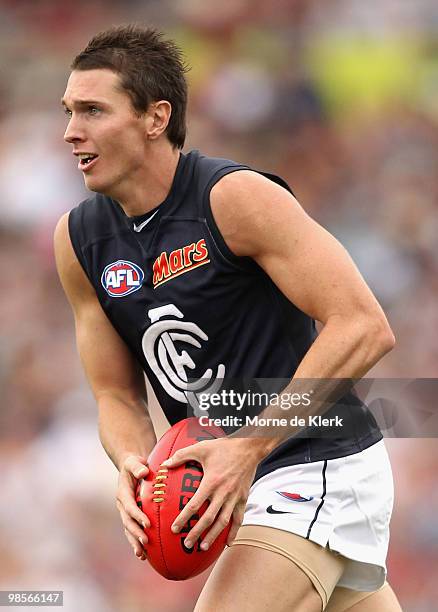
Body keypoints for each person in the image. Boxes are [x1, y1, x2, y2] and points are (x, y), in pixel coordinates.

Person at [54, 25, 403, 612]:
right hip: (235, 478)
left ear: (155, 118)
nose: (70, 131)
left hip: (317, 459)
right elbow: (116, 396)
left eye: (92, 110)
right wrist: (140, 469)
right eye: (68, 111)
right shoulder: (79, 240)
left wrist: (247, 447)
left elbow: (364, 326)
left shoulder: (233, 197)